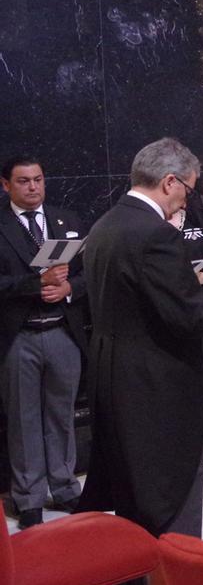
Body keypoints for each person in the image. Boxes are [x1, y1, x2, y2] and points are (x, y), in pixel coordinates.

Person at [79, 138, 203, 537]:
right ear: (170, 182)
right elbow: (188, 319)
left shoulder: (106, 225)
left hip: (113, 378)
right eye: (188, 190)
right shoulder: (156, 236)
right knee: (167, 504)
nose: (187, 202)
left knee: (133, 499)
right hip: (154, 390)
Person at [0, 156, 88, 529]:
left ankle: (65, 487)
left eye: (38, 180)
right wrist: (34, 285)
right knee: (23, 420)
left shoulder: (67, 221)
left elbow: (91, 274)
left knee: (61, 415)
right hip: (19, 336)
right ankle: (29, 497)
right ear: (6, 185)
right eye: (23, 181)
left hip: (62, 333)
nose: (33, 187)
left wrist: (68, 288)